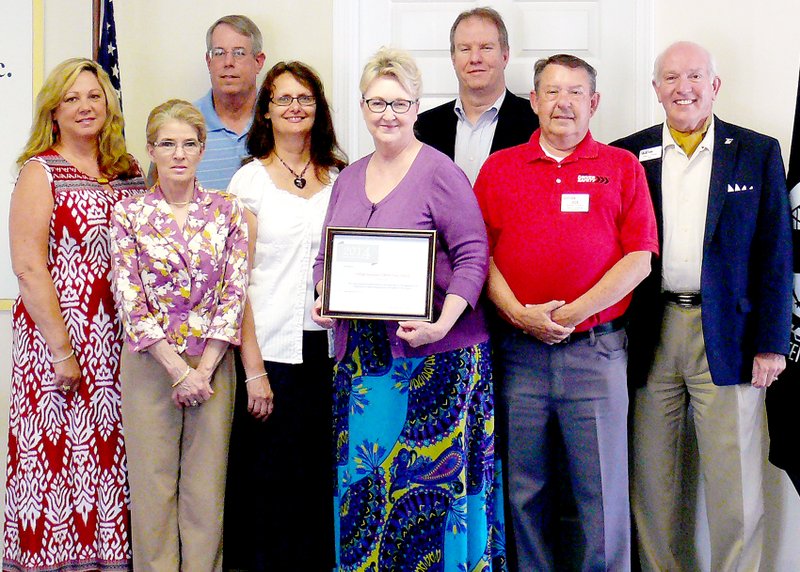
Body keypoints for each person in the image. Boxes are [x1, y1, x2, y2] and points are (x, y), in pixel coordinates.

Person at [311, 47, 504, 570]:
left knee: (427, 489)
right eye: (377, 102)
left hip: (437, 357)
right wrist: (322, 298)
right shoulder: (348, 178)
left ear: (417, 107)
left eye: (399, 102)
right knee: (369, 484)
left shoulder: (440, 171)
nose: (387, 114)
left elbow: (473, 252)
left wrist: (443, 320)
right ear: (363, 106)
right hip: (364, 364)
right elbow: (327, 256)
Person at [611, 41, 792, 571]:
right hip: (650, 332)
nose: (682, 88)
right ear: (655, 88)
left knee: (735, 486)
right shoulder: (628, 155)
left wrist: (772, 344)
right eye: (670, 78)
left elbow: (776, 254)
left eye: (694, 76)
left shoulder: (757, 152)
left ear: (715, 86)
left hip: (731, 337)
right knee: (652, 483)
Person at [474, 54, 658, 571]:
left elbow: (639, 260)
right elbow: (476, 254)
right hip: (519, 355)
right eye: (552, 91)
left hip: (596, 357)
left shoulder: (621, 167)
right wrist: (519, 314)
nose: (563, 103)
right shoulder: (499, 168)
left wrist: (571, 314)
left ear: (594, 103)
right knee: (523, 492)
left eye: (575, 92)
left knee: (602, 494)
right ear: (533, 101)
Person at [3, 58, 145, 571]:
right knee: (57, 460)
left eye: (94, 95)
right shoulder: (40, 171)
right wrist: (63, 350)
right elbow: (27, 265)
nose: (85, 106)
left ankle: (111, 562)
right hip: (58, 342)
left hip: (121, 340)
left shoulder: (127, 171)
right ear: (53, 111)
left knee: (114, 457)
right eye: (72, 98)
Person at [110, 99, 249, 572]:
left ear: (202, 149)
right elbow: (130, 300)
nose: (178, 154)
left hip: (212, 367)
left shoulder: (227, 211)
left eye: (189, 144)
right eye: (167, 144)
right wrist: (176, 371)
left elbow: (234, 293)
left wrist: (202, 371)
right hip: (152, 365)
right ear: (150, 150)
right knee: (153, 487)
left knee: (205, 490)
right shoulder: (129, 214)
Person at [224, 61, 347, 571]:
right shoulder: (249, 180)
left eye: (305, 98)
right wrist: (253, 371)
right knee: (268, 480)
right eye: (283, 99)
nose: (295, 107)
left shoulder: (342, 178)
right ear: (267, 110)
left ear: (318, 109)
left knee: (320, 475)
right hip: (267, 351)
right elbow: (236, 281)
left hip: (328, 349)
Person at [414, 6, 538, 183]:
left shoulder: (537, 124)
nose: (475, 58)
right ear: (453, 58)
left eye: (486, 47)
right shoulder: (421, 129)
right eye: (465, 49)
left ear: (505, 55)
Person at [195, 14, 265, 189]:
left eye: (239, 53)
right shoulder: (184, 124)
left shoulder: (279, 120)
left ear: (258, 61)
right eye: (219, 53)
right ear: (208, 62)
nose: (228, 62)